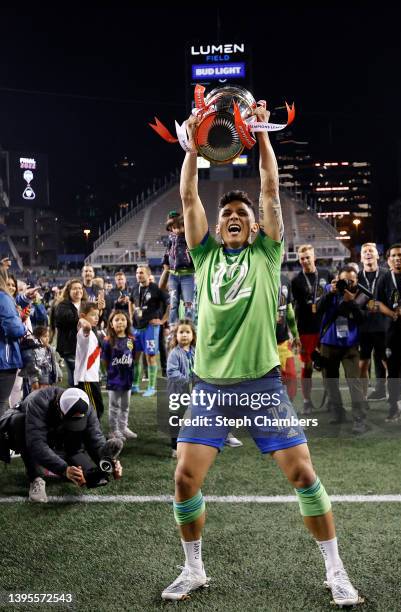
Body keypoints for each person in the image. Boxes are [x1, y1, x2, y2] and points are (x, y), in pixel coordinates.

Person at [161, 106, 359, 607]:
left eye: (240, 216)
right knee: (184, 478)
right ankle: (193, 569)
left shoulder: (267, 256)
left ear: (254, 229)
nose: (231, 217)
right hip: (208, 386)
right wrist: (190, 151)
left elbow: (269, 189)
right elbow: (187, 197)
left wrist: (265, 136)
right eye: (226, 214)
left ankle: (335, 571)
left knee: (303, 475)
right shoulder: (203, 255)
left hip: (261, 386)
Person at [0, 387, 123, 502]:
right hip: (21, 430)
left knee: (88, 474)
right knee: (19, 423)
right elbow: (36, 444)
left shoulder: (87, 407)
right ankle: (36, 478)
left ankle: (59, 465)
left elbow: (95, 439)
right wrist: (64, 469)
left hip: (55, 433)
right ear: (58, 407)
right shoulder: (38, 401)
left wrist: (107, 462)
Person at [317, 266, 369, 433]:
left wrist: (351, 302)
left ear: (356, 281)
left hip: (350, 345)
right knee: (329, 381)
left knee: (354, 382)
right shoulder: (328, 288)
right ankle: (338, 412)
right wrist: (331, 293)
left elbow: (362, 319)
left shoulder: (361, 294)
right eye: (344, 280)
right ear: (337, 279)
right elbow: (318, 309)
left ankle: (359, 418)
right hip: (328, 343)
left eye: (351, 281)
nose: (347, 284)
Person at [291, 245, 331, 414]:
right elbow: (293, 308)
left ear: (314, 257)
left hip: (325, 327)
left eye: (308, 257)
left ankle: (331, 399)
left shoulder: (326, 275)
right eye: (302, 258)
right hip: (306, 329)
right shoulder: (296, 281)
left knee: (327, 366)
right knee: (306, 366)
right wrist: (295, 334)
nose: (305, 261)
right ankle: (307, 401)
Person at [375, 243, 401, 421]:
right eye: (393, 256)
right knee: (394, 371)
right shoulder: (385, 279)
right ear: (388, 260)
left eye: (400, 255)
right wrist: (393, 314)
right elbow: (377, 303)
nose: (397, 259)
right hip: (393, 332)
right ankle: (393, 407)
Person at [130, 265, 169, 397]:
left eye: (141, 273)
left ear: (148, 274)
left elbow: (170, 303)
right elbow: (131, 302)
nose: (138, 275)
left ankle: (151, 387)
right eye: (137, 273)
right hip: (136, 327)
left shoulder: (156, 288)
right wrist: (131, 317)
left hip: (151, 328)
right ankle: (135, 385)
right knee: (135, 357)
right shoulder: (134, 288)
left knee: (150, 356)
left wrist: (163, 320)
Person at [357, 243, 388, 400]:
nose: (368, 253)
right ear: (361, 257)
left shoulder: (386, 274)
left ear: (377, 255)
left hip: (383, 325)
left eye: (371, 251)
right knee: (363, 362)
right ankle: (363, 396)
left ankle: (386, 391)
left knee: (385, 360)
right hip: (363, 327)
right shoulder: (357, 277)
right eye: (365, 252)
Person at [101, 310, 138, 440]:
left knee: (125, 405)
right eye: (117, 320)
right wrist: (110, 373)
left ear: (127, 322)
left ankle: (123, 427)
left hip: (127, 379)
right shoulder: (108, 341)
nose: (120, 322)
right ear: (111, 324)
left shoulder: (131, 340)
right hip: (114, 380)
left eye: (123, 319)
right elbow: (105, 361)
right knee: (114, 406)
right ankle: (113, 430)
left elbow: (134, 358)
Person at [160, 211, 195, 327]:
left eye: (178, 227)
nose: (176, 230)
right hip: (173, 275)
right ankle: (172, 327)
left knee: (188, 303)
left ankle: (190, 326)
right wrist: (165, 262)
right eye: (173, 227)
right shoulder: (171, 238)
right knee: (173, 303)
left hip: (187, 274)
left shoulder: (189, 236)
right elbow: (168, 251)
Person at [167, 319, 196, 458]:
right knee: (176, 419)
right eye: (181, 332)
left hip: (191, 393)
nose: (184, 335)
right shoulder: (174, 353)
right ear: (176, 335)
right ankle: (174, 447)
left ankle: (187, 442)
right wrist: (189, 381)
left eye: (187, 332)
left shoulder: (195, 352)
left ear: (193, 335)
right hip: (177, 393)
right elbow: (172, 373)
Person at [0, 268, 27, 415]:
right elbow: (14, 329)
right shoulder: (3, 297)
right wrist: (21, 325)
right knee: (1, 403)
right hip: (4, 359)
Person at [74, 302, 105, 420]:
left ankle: (94, 434)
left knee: (97, 408)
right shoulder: (83, 333)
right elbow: (86, 326)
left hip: (92, 378)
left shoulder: (93, 332)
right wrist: (81, 320)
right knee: (93, 410)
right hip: (86, 379)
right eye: (93, 315)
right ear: (83, 315)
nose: (96, 317)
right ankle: (94, 435)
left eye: (97, 315)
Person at [54, 279, 87, 386]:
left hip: (85, 345)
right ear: (68, 291)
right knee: (75, 374)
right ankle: (75, 397)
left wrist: (99, 310)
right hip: (70, 346)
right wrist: (84, 319)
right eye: (74, 288)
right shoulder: (62, 305)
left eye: (80, 288)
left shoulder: (85, 305)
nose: (78, 290)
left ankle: (81, 396)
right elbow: (68, 319)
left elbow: (95, 321)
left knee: (83, 374)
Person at [276, 271, 300, 401]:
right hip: (261, 342)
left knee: (290, 376)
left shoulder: (284, 280)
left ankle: (287, 408)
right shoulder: (257, 277)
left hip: (282, 341)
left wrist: (295, 334)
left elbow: (289, 310)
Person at [19, 325, 63, 391]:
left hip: (49, 380)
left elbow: (54, 363)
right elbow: (32, 368)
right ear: (37, 338)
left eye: (48, 336)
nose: (47, 338)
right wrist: (34, 381)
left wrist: (59, 374)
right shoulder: (34, 351)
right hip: (39, 383)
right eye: (45, 336)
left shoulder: (50, 349)